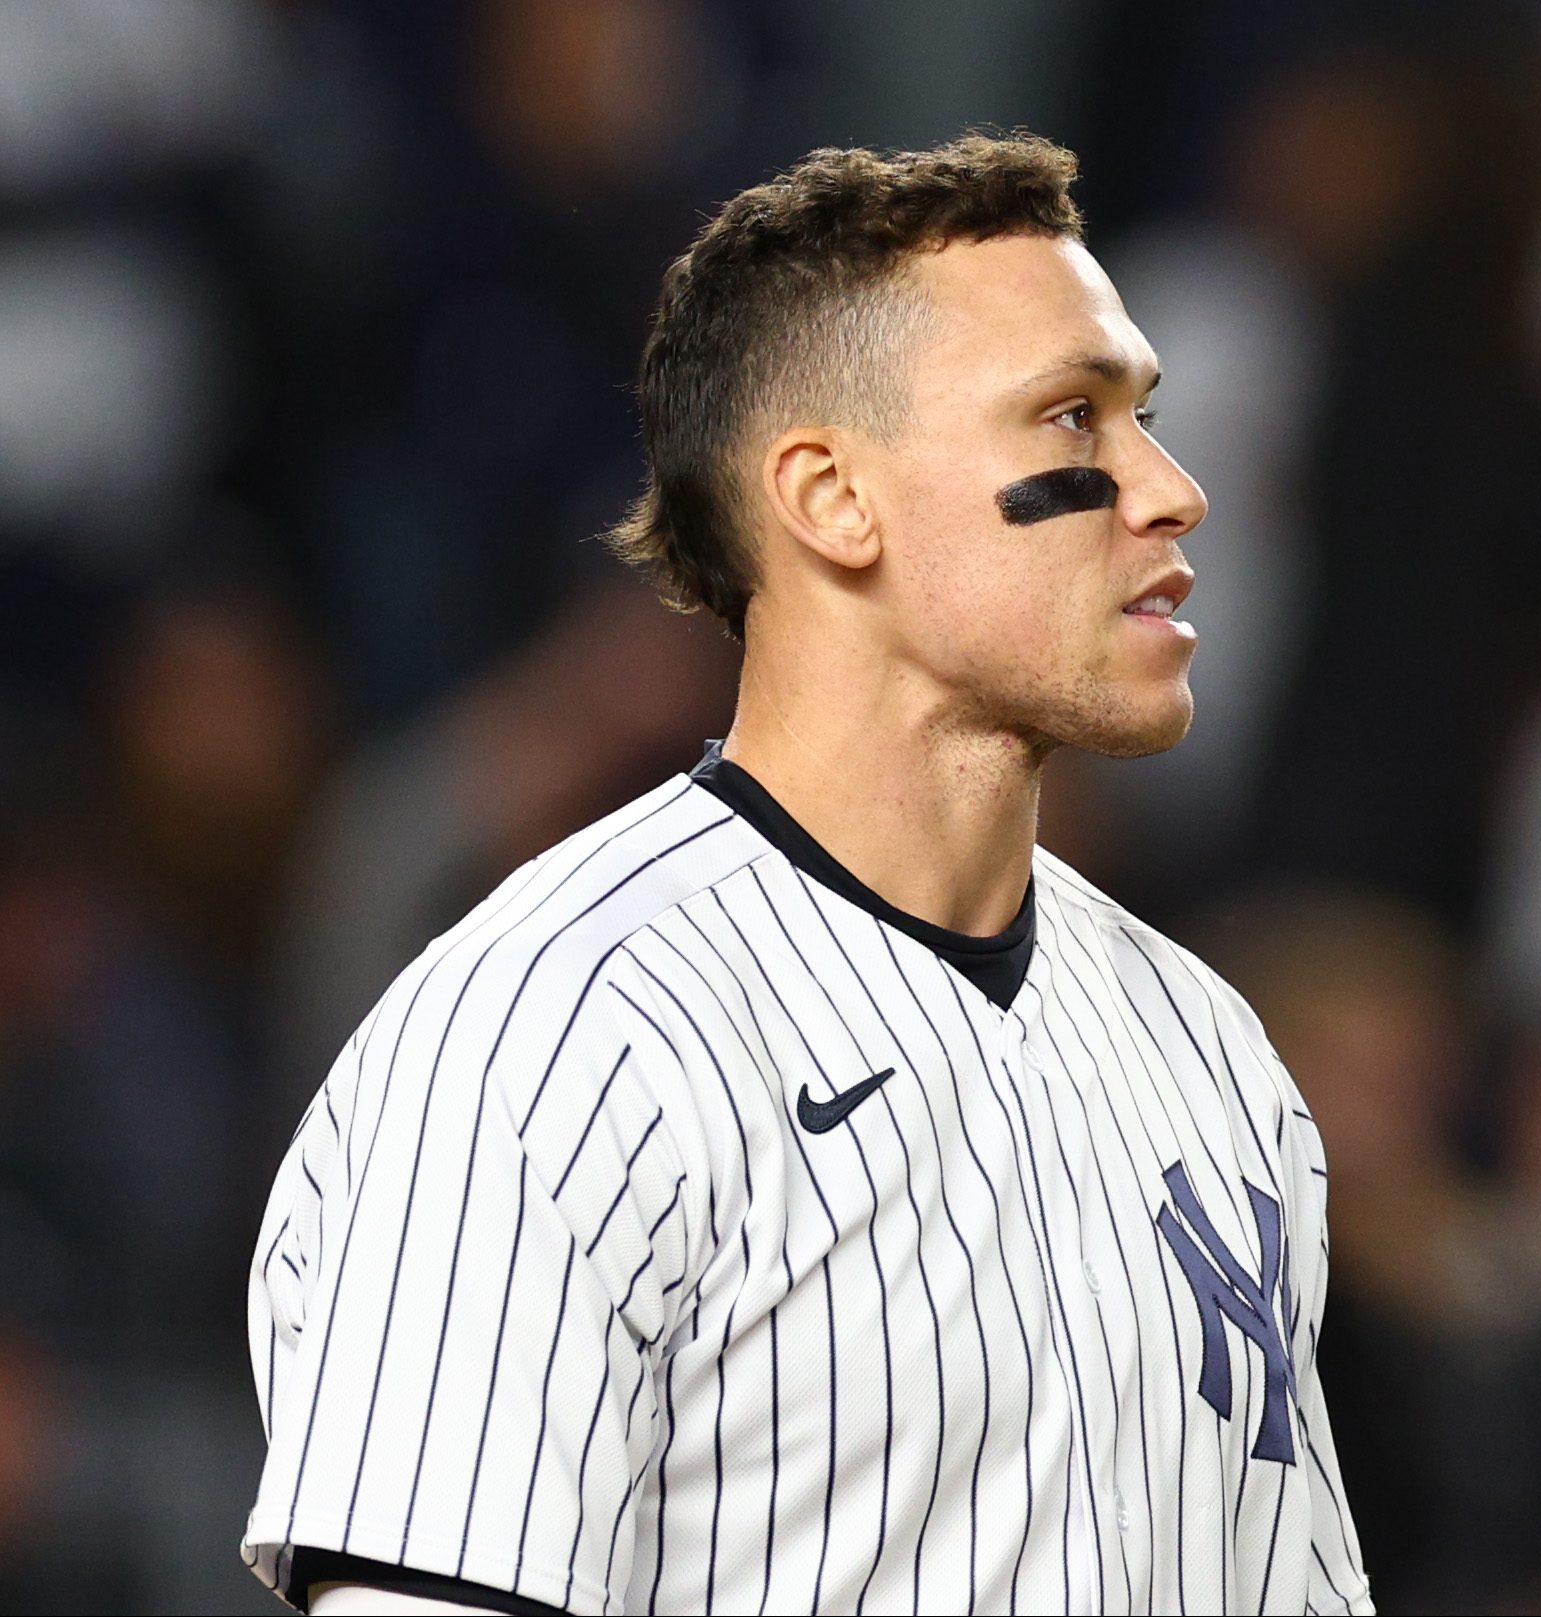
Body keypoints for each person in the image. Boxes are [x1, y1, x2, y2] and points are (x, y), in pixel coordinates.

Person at [238, 133, 1371, 1617]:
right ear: (833, 500)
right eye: (1071, 419)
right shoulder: (550, 1035)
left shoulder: (1208, 1051)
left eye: (1143, 415)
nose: (1169, 489)